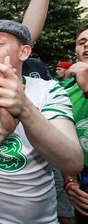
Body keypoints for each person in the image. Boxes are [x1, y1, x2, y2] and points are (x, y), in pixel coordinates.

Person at [0, 20, 83, 223]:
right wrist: (1, 129)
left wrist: (26, 110)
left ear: (24, 53)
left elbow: (72, 162)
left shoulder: (49, 91)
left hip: (40, 219)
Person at [63, 24, 88, 224]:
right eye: (82, 42)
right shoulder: (63, 92)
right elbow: (62, 141)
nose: (87, 45)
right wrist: (70, 182)